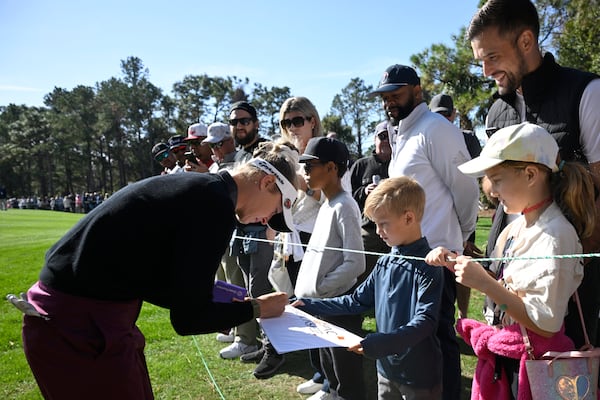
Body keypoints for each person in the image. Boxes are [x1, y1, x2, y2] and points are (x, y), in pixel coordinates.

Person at [18, 142, 299, 399]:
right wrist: (257, 309)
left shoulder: (204, 190)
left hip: (72, 319)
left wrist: (213, 298)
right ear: (267, 182)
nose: (267, 221)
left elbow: (147, 275)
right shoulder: (215, 207)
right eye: (275, 210)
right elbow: (189, 319)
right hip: (78, 328)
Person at [426, 122, 595, 399]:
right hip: (514, 361)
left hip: (535, 370)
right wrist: (457, 263)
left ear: (530, 174)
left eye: (498, 179)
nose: (491, 190)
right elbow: (512, 287)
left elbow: (545, 323)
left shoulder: (554, 235)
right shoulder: (517, 227)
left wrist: (484, 285)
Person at [467, 0, 600, 349]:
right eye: (480, 60)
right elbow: (490, 185)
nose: (485, 72)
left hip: (567, 280)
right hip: (507, 271)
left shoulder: (586, 92)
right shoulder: (495, 111)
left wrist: (571, 263)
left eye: (492, 57)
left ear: (526, 41)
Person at [369, 64, 479, 400]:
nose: (390, 101)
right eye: (385, 96)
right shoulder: (402, 132)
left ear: (418, 91)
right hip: (411, 255)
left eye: (397, 94)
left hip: (437, 256)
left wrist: (458, 235)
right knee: (418, 338)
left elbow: (465, 188)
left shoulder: (435, 129)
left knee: (439, 339)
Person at [295, 176, 443, 400]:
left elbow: (426, 321)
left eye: (383, 223)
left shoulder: (429, 267)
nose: (378, 231)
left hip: (418, 374)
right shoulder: (385, 262)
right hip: (385, 370)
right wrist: (309, 305)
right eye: (375, 224)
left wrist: (383, 343)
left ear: (409, 218)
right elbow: (356, 301)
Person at [241, 96, 328, 384]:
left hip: (317, 235)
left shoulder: (325, 149)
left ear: (312, 121)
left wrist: (305, 186)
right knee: (287, 295)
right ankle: (280, 351)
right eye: (285, 122)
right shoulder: (284, 153)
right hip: (288, 238)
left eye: (297, 120)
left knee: (315, 303)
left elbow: (333, 194)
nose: (292, 127)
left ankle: (325, 371)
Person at [295, 137, 366, 400]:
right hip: (322, 305)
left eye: (311, 165)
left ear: (332, 168)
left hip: (338, 306)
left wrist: (322, 287)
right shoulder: (326, 205)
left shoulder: (345, 206)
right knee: (331, 369)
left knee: (347, 376)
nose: (305, 171)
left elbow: (356, 262)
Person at [219, 101, 274, 360]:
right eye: (234, 122)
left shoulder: (267, 150)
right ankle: (249, 341)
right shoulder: (239, 155)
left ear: (255, 123)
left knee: (260, 289)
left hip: (262, 231)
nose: (239, 126)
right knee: (242, 289)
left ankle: (272, 346)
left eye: (244, 121)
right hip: (240, 230)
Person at [429, 92, 484, 319]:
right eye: (437, 116)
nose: (442, 119)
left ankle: (463, 314)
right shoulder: (429, 135)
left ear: (454, 115)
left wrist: (467, 229)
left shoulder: (468, 137)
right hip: (439, 218)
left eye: (445, 115)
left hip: (462, 214)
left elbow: (475, 176)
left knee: (463, 266)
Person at [349, 121, 391, 283]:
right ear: (375, 139)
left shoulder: (400, 163)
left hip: (395, 228)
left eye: (389, 136)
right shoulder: (361, 165)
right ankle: (365, 305)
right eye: (382, 136)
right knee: (365, 276)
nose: (386, 140)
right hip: (368, 230)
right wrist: (365, 191)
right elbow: (348, 195)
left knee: (393, 275)